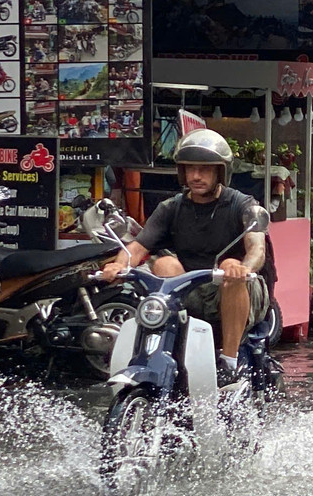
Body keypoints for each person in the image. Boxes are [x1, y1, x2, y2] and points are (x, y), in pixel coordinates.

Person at [101, 129, 272, 378]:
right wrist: (118, 266)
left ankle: (229, 362)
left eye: (204, 169)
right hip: (188, 289)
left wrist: (244, 268)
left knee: (230, 264)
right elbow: (137, 247)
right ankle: (166, 351)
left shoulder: (242, 204)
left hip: (237, 288)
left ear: (220, 172)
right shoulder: (171, 207)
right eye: (189, 169)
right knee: (164, 264)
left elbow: (257, 249)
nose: (195, 176)